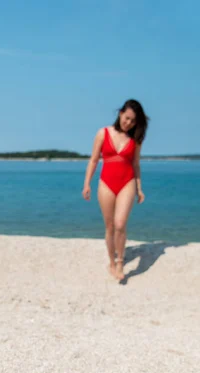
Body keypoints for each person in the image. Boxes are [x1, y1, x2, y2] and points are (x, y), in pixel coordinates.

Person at [82, 99, 149, 281]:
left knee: (120, 224)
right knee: (110, 226)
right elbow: (94, 160)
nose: (128, 123)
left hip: (127, 182)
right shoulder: (103, 133)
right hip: (106, 183)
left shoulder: (135, 140)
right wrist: (87, 183)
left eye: (133, 121)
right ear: (120, 114)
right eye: (127, 118)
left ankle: (120, 262)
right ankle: (111, 262)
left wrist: (139, 188)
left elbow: (136, 164)